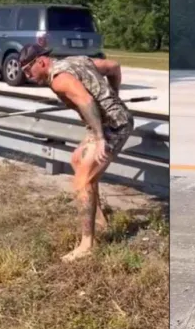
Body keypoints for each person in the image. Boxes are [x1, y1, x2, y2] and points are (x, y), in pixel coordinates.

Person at [18, 42, 134, 262]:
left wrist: (100, 137)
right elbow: (113, 67)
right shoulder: (76, 61)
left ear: (41, 62)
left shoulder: (59, 79)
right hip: (107, 121)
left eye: (28, 70)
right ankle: (99, 219)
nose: (28, 76)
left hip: (113, 126)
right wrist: (114, 97)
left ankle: (87, 244)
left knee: (82, 181)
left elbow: (86, 100)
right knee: (76, 160)